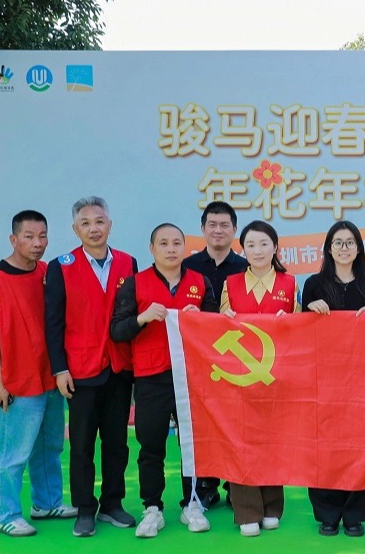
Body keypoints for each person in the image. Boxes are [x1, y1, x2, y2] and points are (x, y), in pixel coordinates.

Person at [110, 223, 217, 538]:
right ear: (152, 248)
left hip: (191, 377)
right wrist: (142, 318)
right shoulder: (135, 284)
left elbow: (216, 329)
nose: (171, 249)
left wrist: (198, 319)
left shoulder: (200, 282)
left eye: (176, 243)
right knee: (151, 445)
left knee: (193, 445)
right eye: (164, 243)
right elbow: (117, 330)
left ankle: (192, 503)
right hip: (150, 377)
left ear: (185, 247)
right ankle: (152, 507)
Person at [45, 196, 138, 537]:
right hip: (80, 370)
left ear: (109, 224)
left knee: (116, 442)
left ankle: (113, 503)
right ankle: (85, 508)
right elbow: (53, 323)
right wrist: (59, 369)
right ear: (75, 229)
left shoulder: (128, 263)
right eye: (85, 223)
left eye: (99, 221)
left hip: (119, 367)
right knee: (82, 445)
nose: (93, 228)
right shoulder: (61, 266)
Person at [0, 210, 76, 537]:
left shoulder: (49, 273)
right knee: (13, 453)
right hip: (17, 381)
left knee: (50, 446)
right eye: (29, 237)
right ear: (13, 239)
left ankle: (47, 502)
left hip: (51, 376)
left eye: (43, 236)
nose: (38, 243)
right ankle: (5, 514)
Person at [219, 220, 300, 537]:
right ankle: (246, 510)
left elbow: (302, 333)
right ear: (243, 250)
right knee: (241, 442)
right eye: (250, 245)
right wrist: (222, 319)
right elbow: (217, 332)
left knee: (273, 441)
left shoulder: (290, 284)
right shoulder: (231, 284)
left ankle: (271, 507)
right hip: (239, 378)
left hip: (277, 377)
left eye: (264, 244)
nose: (257, 250)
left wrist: (291, 321)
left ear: (275, 247)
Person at [302, 220, 365, 538]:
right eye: (338, 242)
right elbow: (299, 332)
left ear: (358, 249)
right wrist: (309, 309)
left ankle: (355, 515)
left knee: (359, 445)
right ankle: (328, 514)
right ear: (328, 249)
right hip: (322, 378)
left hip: (360, 379)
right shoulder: (313, 284)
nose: (344, 248)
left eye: (349, 242)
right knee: (324, 446)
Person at [180, 201, 247, 507]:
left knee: (237, 422)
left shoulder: (246, 267)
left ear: (234, 230)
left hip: (239, 359)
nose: (218, 230)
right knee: (203, 422)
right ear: (202, 229)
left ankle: (237, 484)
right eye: (212, 225)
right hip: (199, 360)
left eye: (224, 225)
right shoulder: (187, 267)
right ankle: (204, 486)